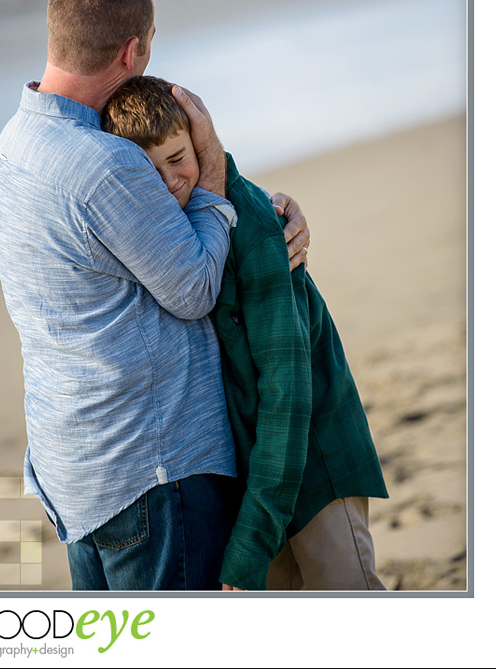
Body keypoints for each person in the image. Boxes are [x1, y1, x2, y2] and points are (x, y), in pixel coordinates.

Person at [0, 0, 309, 591]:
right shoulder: (105, 164)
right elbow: (193, 289)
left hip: (74, 470)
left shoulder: (13, 144)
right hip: (154, 473)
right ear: (133, 49)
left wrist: (267, 215)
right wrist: (214, 174)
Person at [102, 75, 389, 591]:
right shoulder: (165, 236)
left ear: (200, 144)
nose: (170, 183)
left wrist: (252, 540)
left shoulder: (255, 228)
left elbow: (288, 394)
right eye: (148, 171)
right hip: (254, 473)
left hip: (313, 459)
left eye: (178, 158)